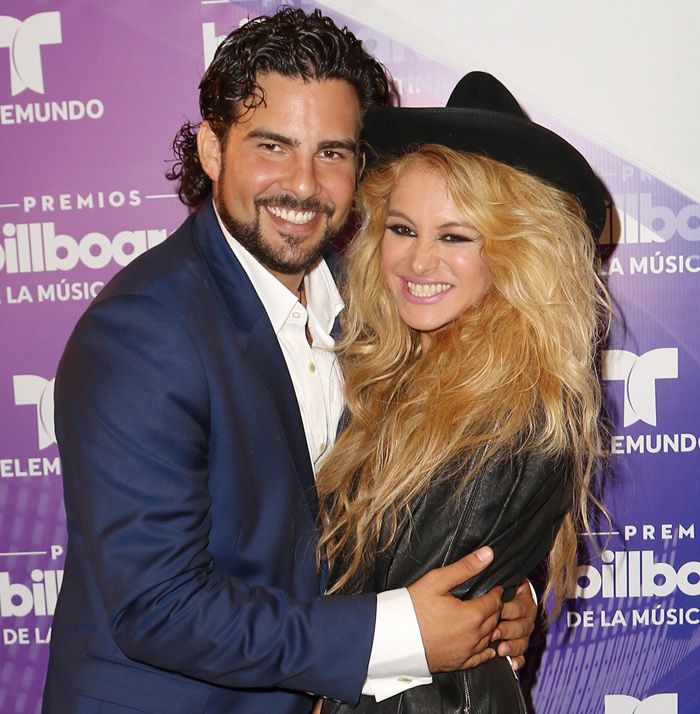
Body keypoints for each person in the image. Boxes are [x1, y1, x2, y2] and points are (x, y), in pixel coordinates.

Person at [41, 12, 536, 714]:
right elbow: (159, 607)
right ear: (212, 148)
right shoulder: (144, 332)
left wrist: (500, 599)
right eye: (273, 146)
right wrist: (402, 633)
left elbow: (421, 502)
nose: (304, 185)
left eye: (332, 153)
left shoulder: (378, 304)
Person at [316, 72, 609, 713]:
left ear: (514, 251)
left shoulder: (514, 412)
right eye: (402, 229)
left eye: (455, 237)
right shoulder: (384, 363)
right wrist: (516, 592)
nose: (419, 262)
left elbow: (404, 606)